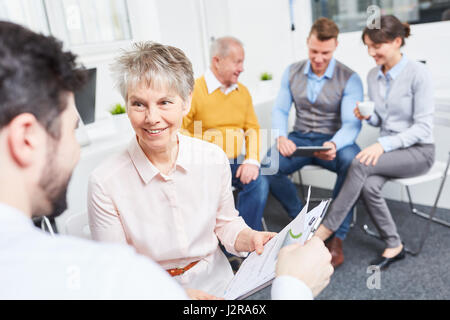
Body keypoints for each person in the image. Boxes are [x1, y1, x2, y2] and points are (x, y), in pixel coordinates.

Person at [0, 21, 333, 300]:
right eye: (138, 104)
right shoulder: (105, 181)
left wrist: (250, 238)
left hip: (220, 283)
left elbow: (226, 223)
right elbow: (120, 272)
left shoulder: (212, 157)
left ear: (186, 102)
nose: (151, 118)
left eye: (164, 102)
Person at [315, 15, 435, 270]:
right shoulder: (373, 75)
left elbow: (423, 128)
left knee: (359, 163)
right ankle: (395, 245)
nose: (371, 52)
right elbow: (384, 119)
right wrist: (369, 116)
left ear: (396, 42)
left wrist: (383, 145)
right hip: (392, 149)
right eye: (368, 46)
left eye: (377, 46)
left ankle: (323, 232)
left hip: (419, 152)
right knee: (369, 185)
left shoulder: (418, 74)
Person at [264, 17, 363, 268]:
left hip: (332, 141)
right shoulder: (292, 71)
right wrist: (281, 136)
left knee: (353, 163)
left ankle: (335, 235)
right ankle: (304, 220)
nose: (318, 58)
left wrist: (335, 145)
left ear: (336, 46)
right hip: (298, 139)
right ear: (308, 44)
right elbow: (280, 110)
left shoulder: (350, 78)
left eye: (325, 53)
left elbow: (351, 124)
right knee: (269, 164)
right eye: (314, 51)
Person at [182, 37, 268, 231]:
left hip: (234, 161)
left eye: (242, 62)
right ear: (217, 61)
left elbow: (252, 128)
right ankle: (220, 243)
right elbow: (180, 129)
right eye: (237, 62)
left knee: (259, 182)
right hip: (204, 163)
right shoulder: (194, 91)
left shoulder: (242, 92)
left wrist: (252, 160)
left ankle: (243, 245)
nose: (242, 68)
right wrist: (209, 149)